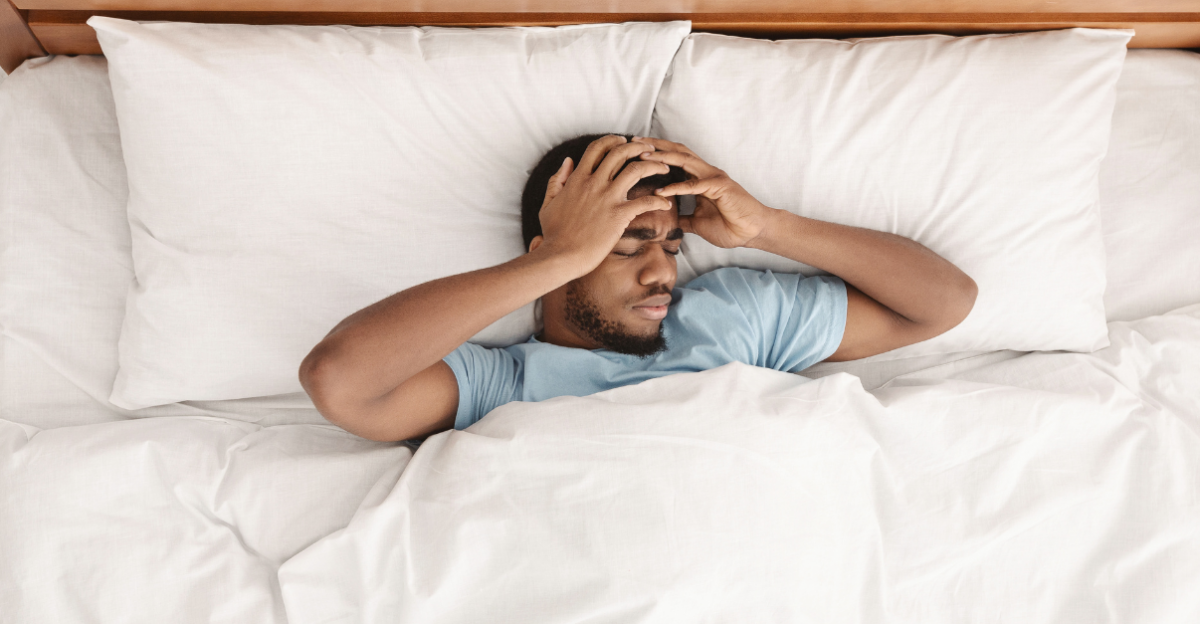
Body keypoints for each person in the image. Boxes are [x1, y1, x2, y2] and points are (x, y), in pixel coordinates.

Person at [299, 134, 978, 442]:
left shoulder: (736, 316)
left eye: (672, 246)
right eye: (626, 247)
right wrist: (560, 256)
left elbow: (943, 302)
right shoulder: (503, 384)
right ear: (549, 258)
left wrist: (769, 227)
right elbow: (339, 380)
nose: (662, 273)